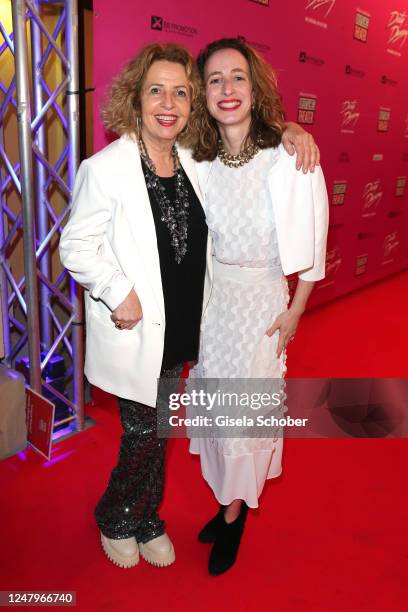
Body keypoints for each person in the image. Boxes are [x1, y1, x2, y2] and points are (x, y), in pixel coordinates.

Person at [59, 42, 319, 570]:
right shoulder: (113, 166)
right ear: (136, 97)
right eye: (157, 90)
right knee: (144, 431)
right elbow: (75, 245)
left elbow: (261, 152)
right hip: (150, 324)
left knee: (180, 426)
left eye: (181, 91)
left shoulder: (191, 159)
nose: (169, 102)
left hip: (200, 322)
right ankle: (118, 515)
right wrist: (117, 290)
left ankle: (171, 515)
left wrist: (292, 128)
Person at [188, 38, 329, 576]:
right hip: (214, 305)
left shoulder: (287, 158)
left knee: (245, 415)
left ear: (255, 87)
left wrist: (295, 311)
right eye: (216, 79)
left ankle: (233, 516)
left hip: (262, 306)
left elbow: (313, 250)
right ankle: (227, 501)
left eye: (238, 77)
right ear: (203, 92)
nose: (228, 89)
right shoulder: (199, 159)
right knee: (218, 408)